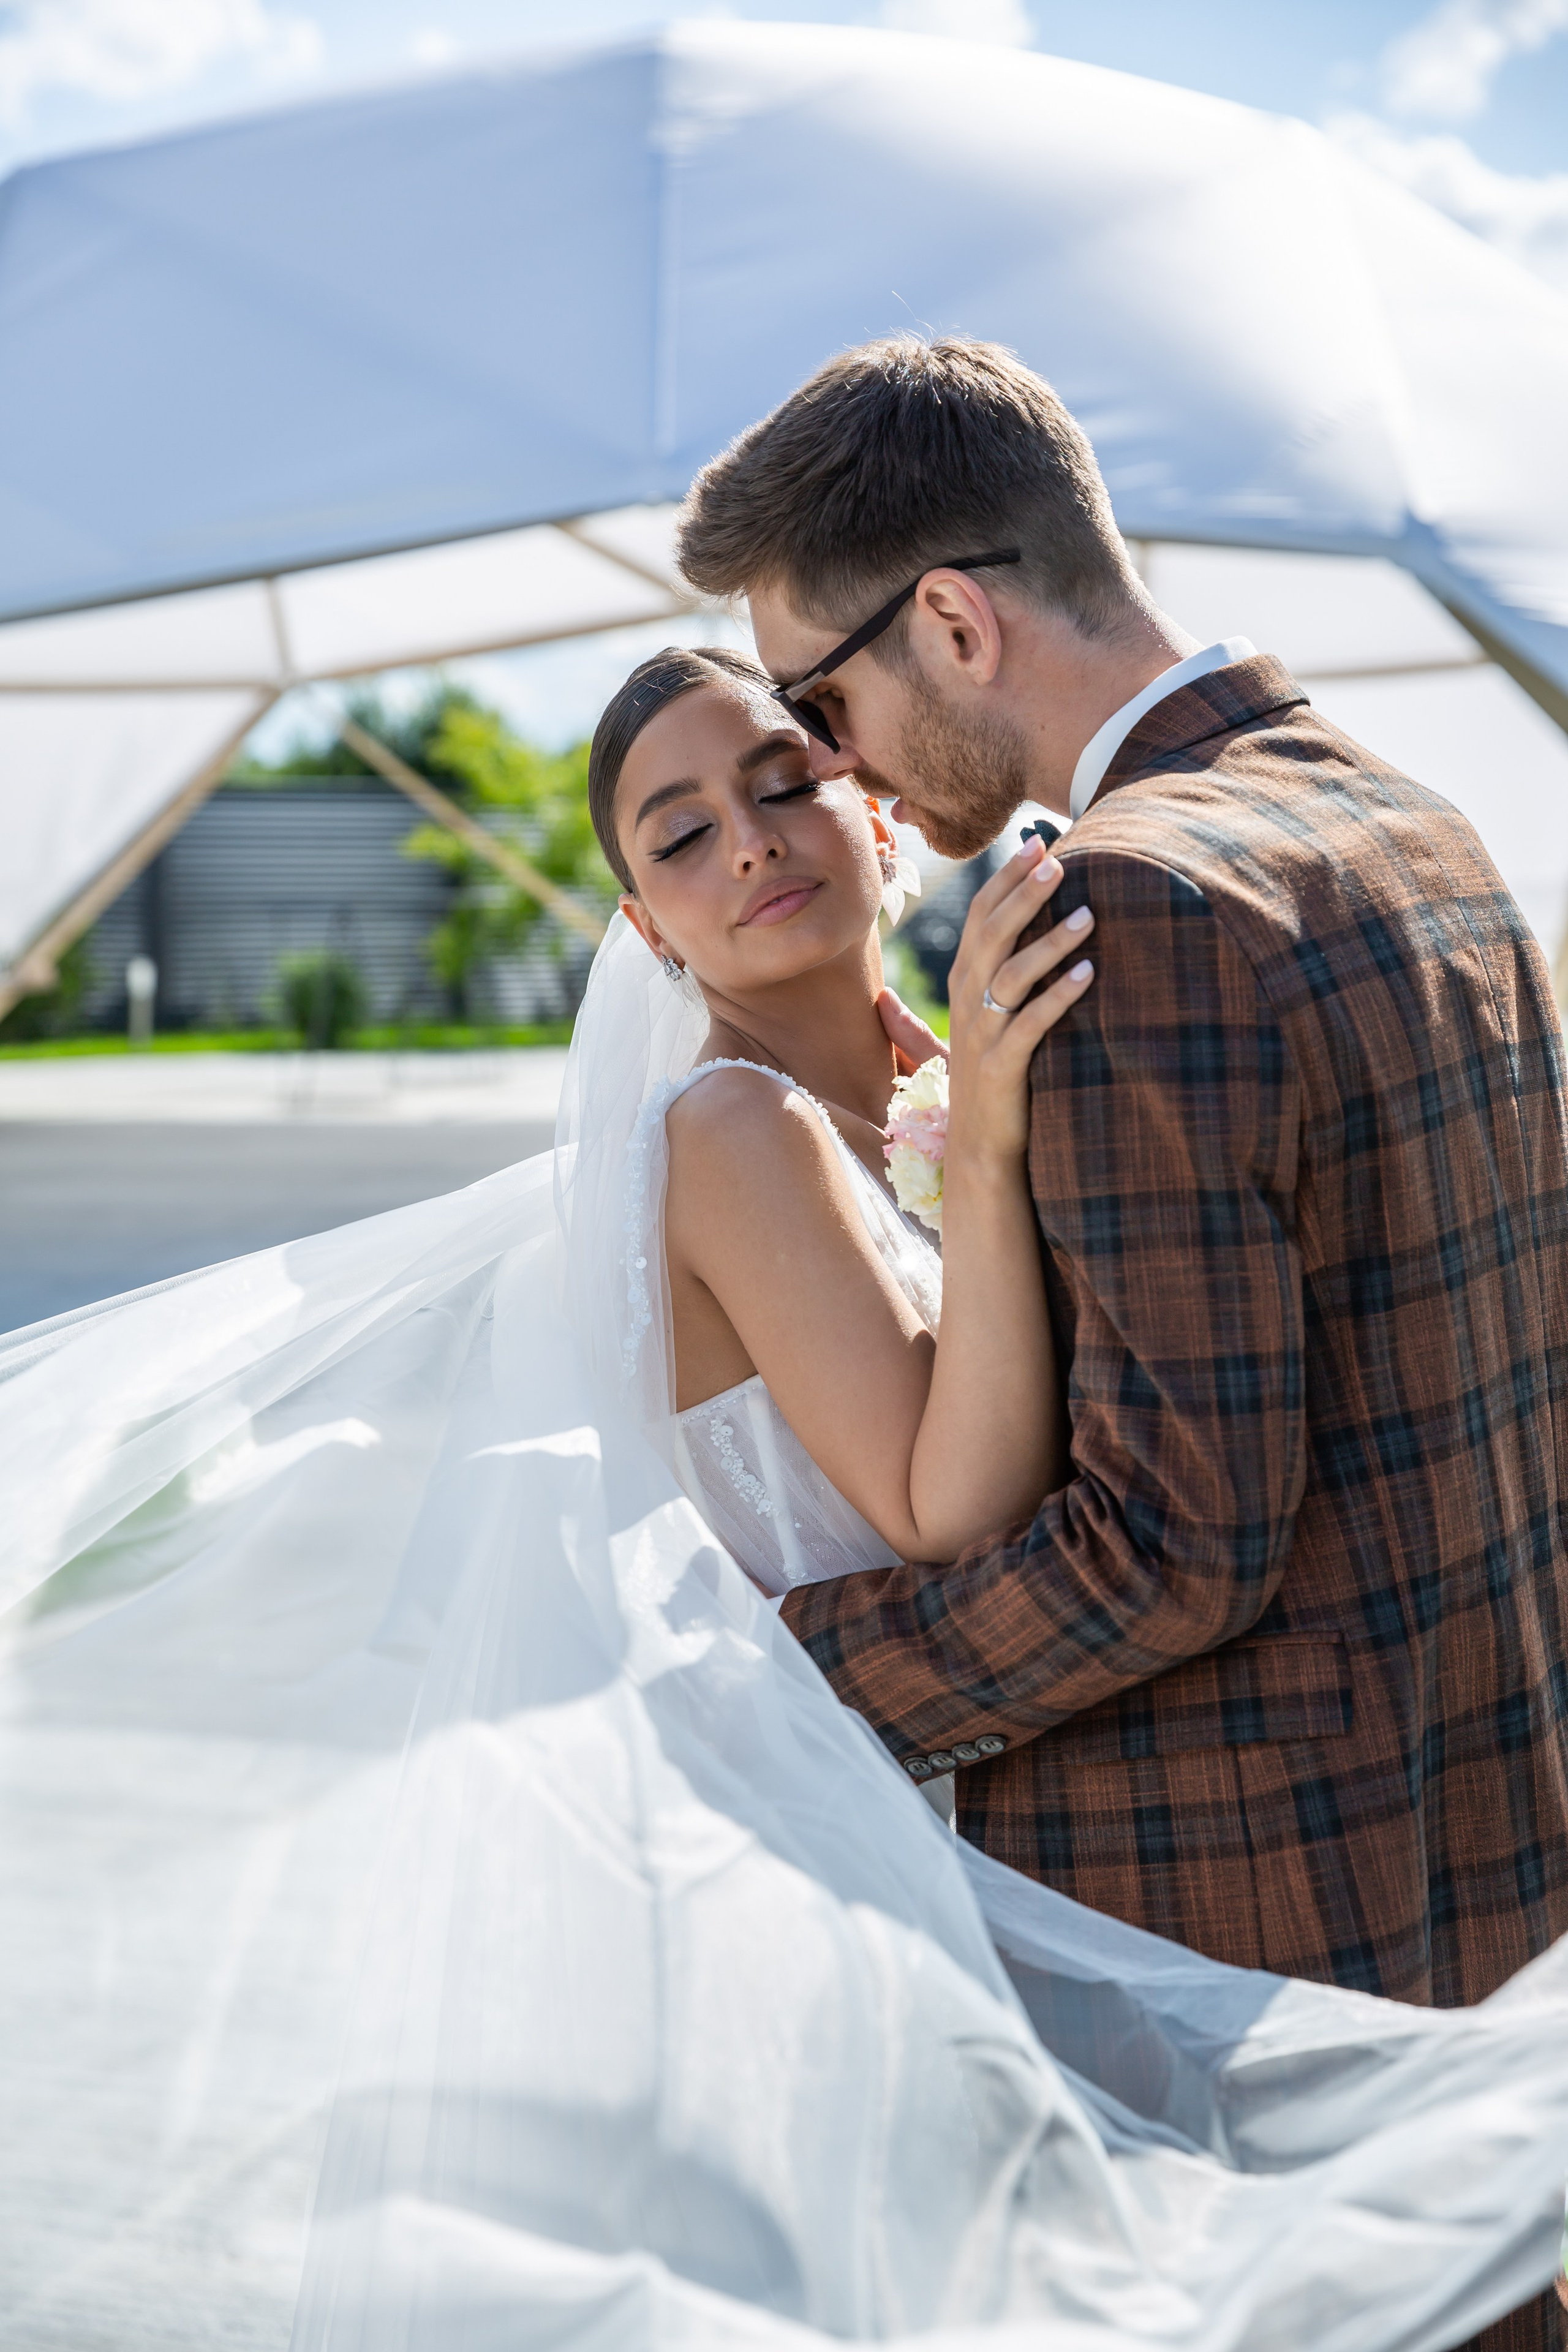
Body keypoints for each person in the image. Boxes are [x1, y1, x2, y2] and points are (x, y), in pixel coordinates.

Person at [3, 644, 1567, 2352]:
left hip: (985, 1832)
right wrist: (980, 1149)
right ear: (644, 929)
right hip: (862, 1893)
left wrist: (966, 1103)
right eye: (677, 838)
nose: (747, 843)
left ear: (880, 816)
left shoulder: (914, 1080)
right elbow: (943, 1509)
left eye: (780, 782)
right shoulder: (737, 1133)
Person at [677, 333, 1568, 2352]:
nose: (833, 770)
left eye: (820, 702)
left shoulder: (1136, 910)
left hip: (1255, 1949)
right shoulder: (1420, 826)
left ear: (957, 622)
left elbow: (1171, 1545)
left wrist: (775, 1681)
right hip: (1492, 1897)